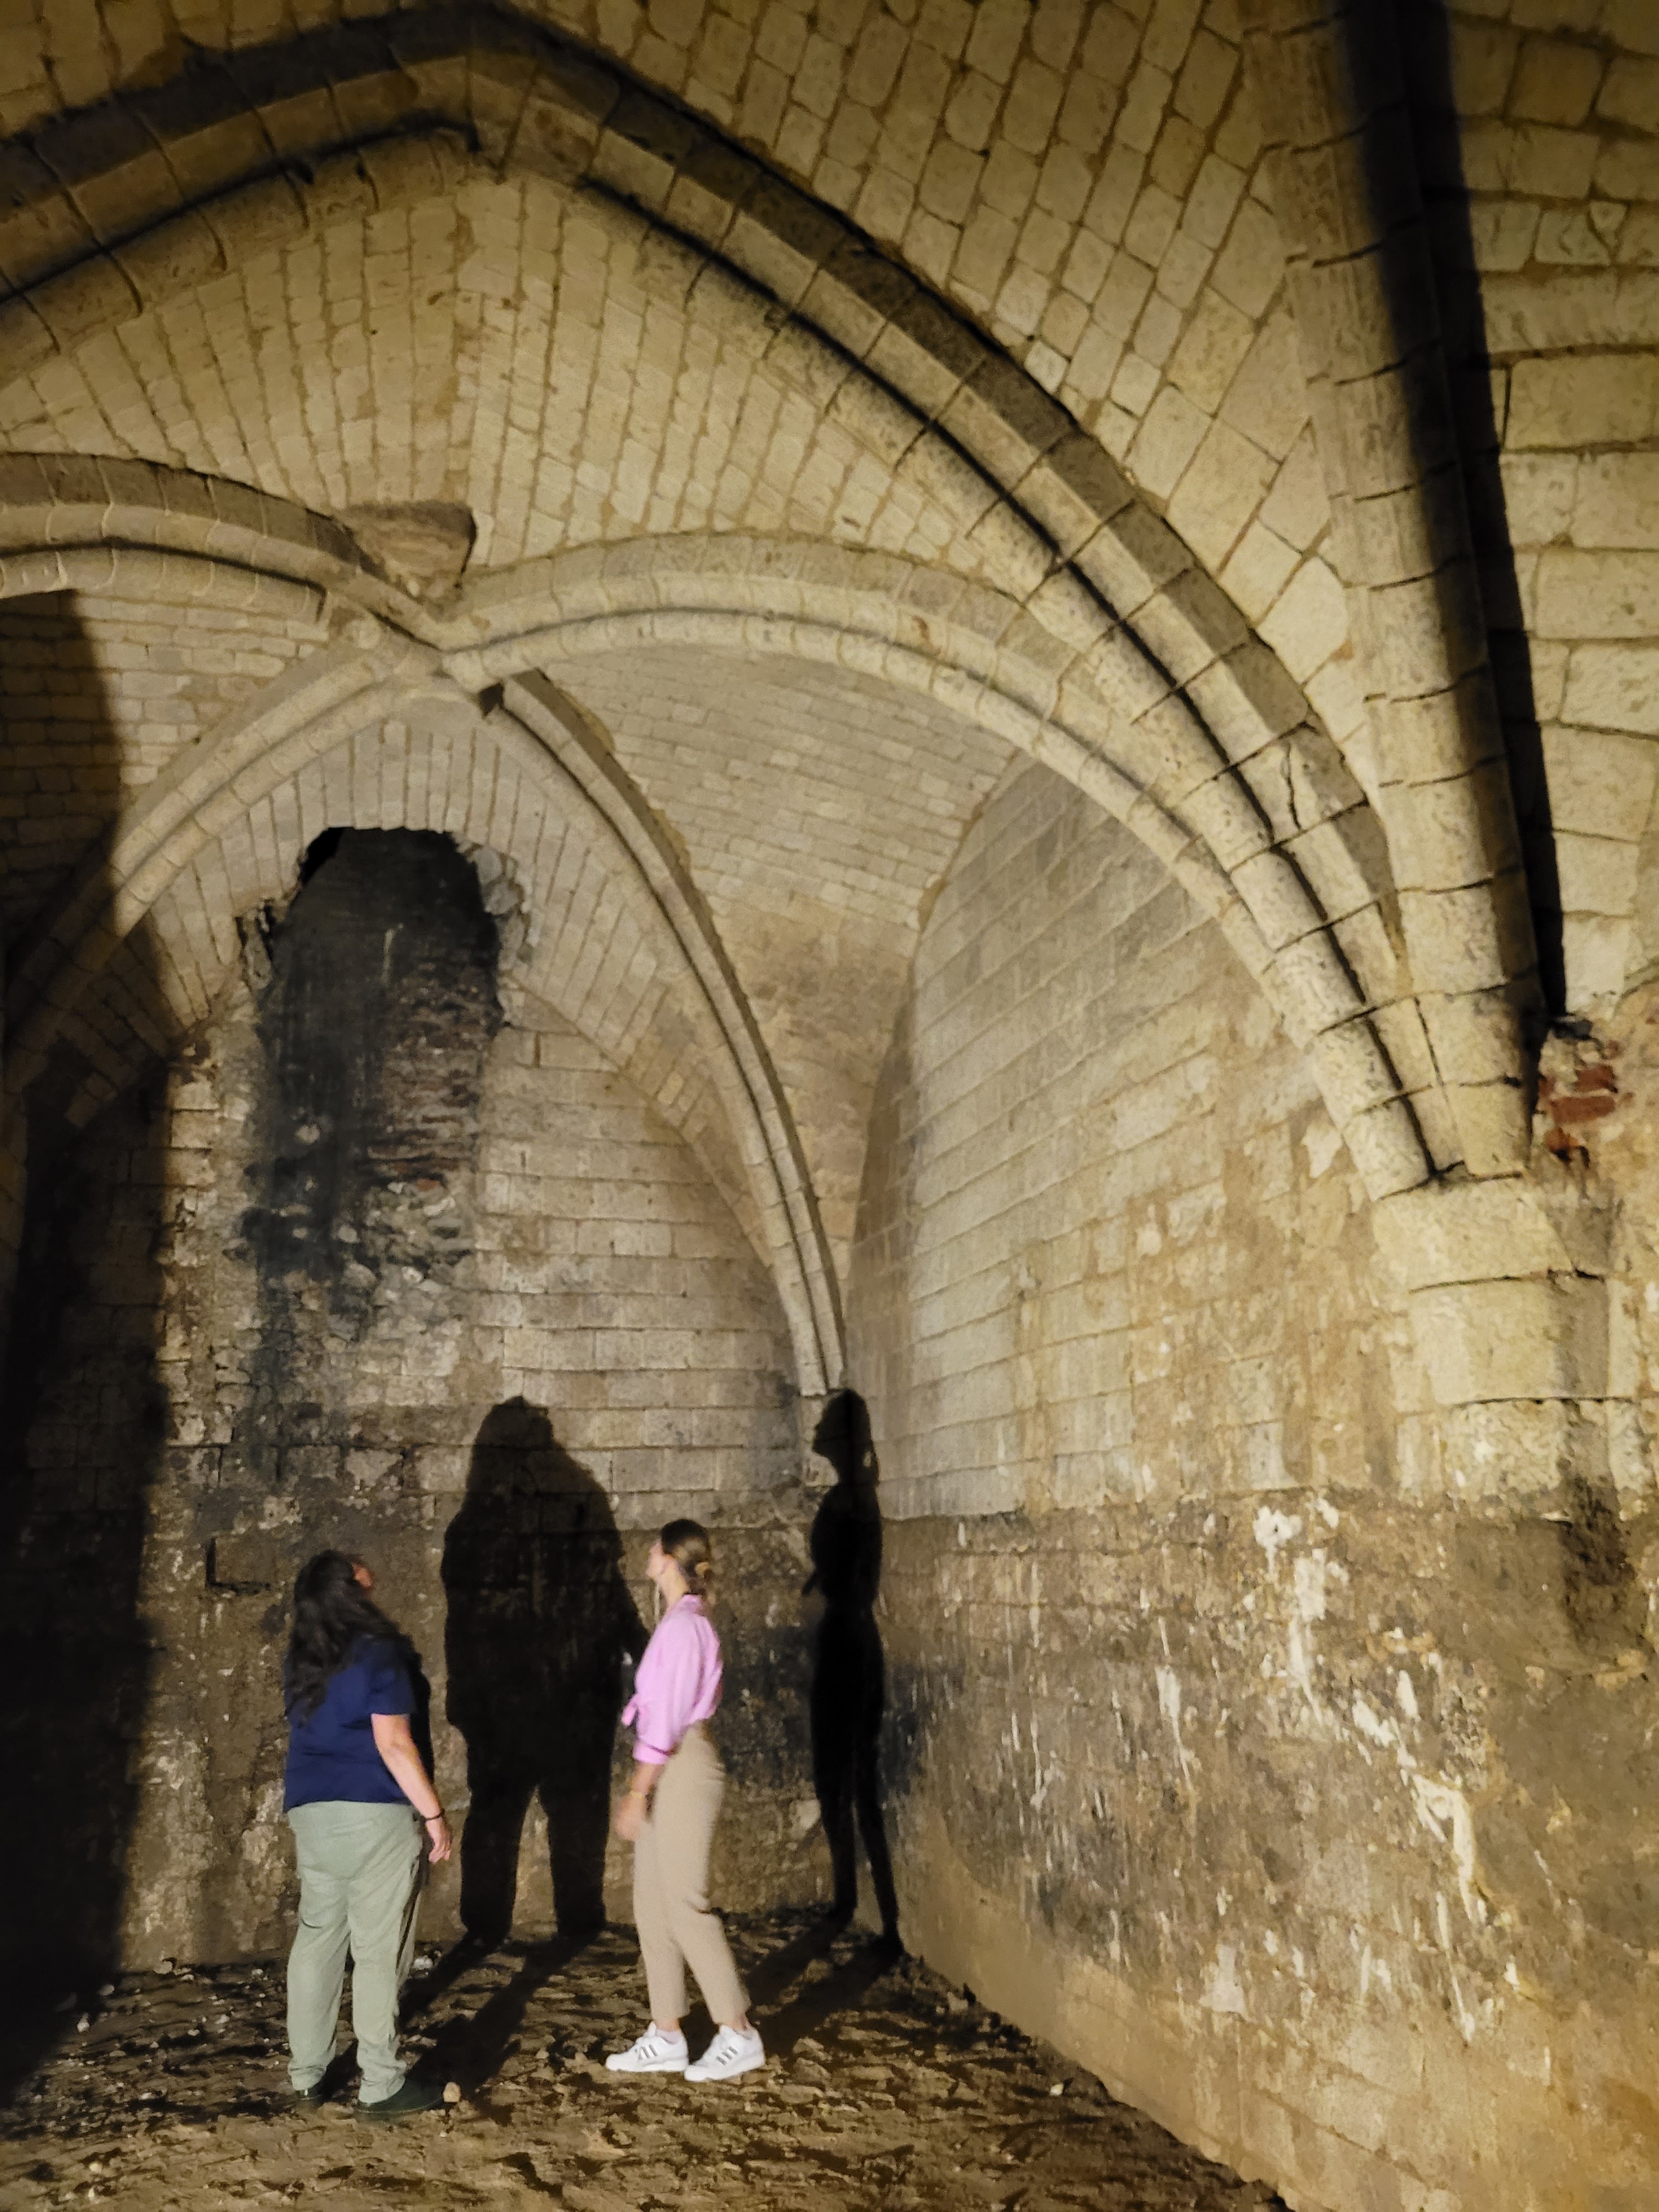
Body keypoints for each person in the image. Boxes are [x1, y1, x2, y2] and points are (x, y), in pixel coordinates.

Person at [282, 1549, 452, 2118]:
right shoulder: (380, 1654)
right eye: (362, 1580)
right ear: (349, 1592)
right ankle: (381, 2083)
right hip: (374, 1812)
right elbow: (394, 1745)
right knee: (379, 1951)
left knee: (317, 1937)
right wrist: (433, 1814)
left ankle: (307, 2074)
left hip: (311, 1811)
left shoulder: (302, 1660)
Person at [603, 1521, 765, 2084]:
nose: (647, 1554)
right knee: (652, 1903)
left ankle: (738, 2032)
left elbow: (667, 1720)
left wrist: (636, 1791)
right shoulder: (678, 1623)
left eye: (655, 1547)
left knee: (684, 1903)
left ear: (669, 1558)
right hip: (668, 1762)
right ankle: (667, 2033)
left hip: (680, 1765)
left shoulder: (682, 1629)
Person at [806, 1390, 899, 1944]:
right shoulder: (857, 1501)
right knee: (851, 1780)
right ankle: (864, 1907)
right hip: (850, 1641)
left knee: (845, 1779)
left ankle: (858, 1905)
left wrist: (826, 1587)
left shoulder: (851, 1504)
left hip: (846, 1643)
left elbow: (856, 1583)